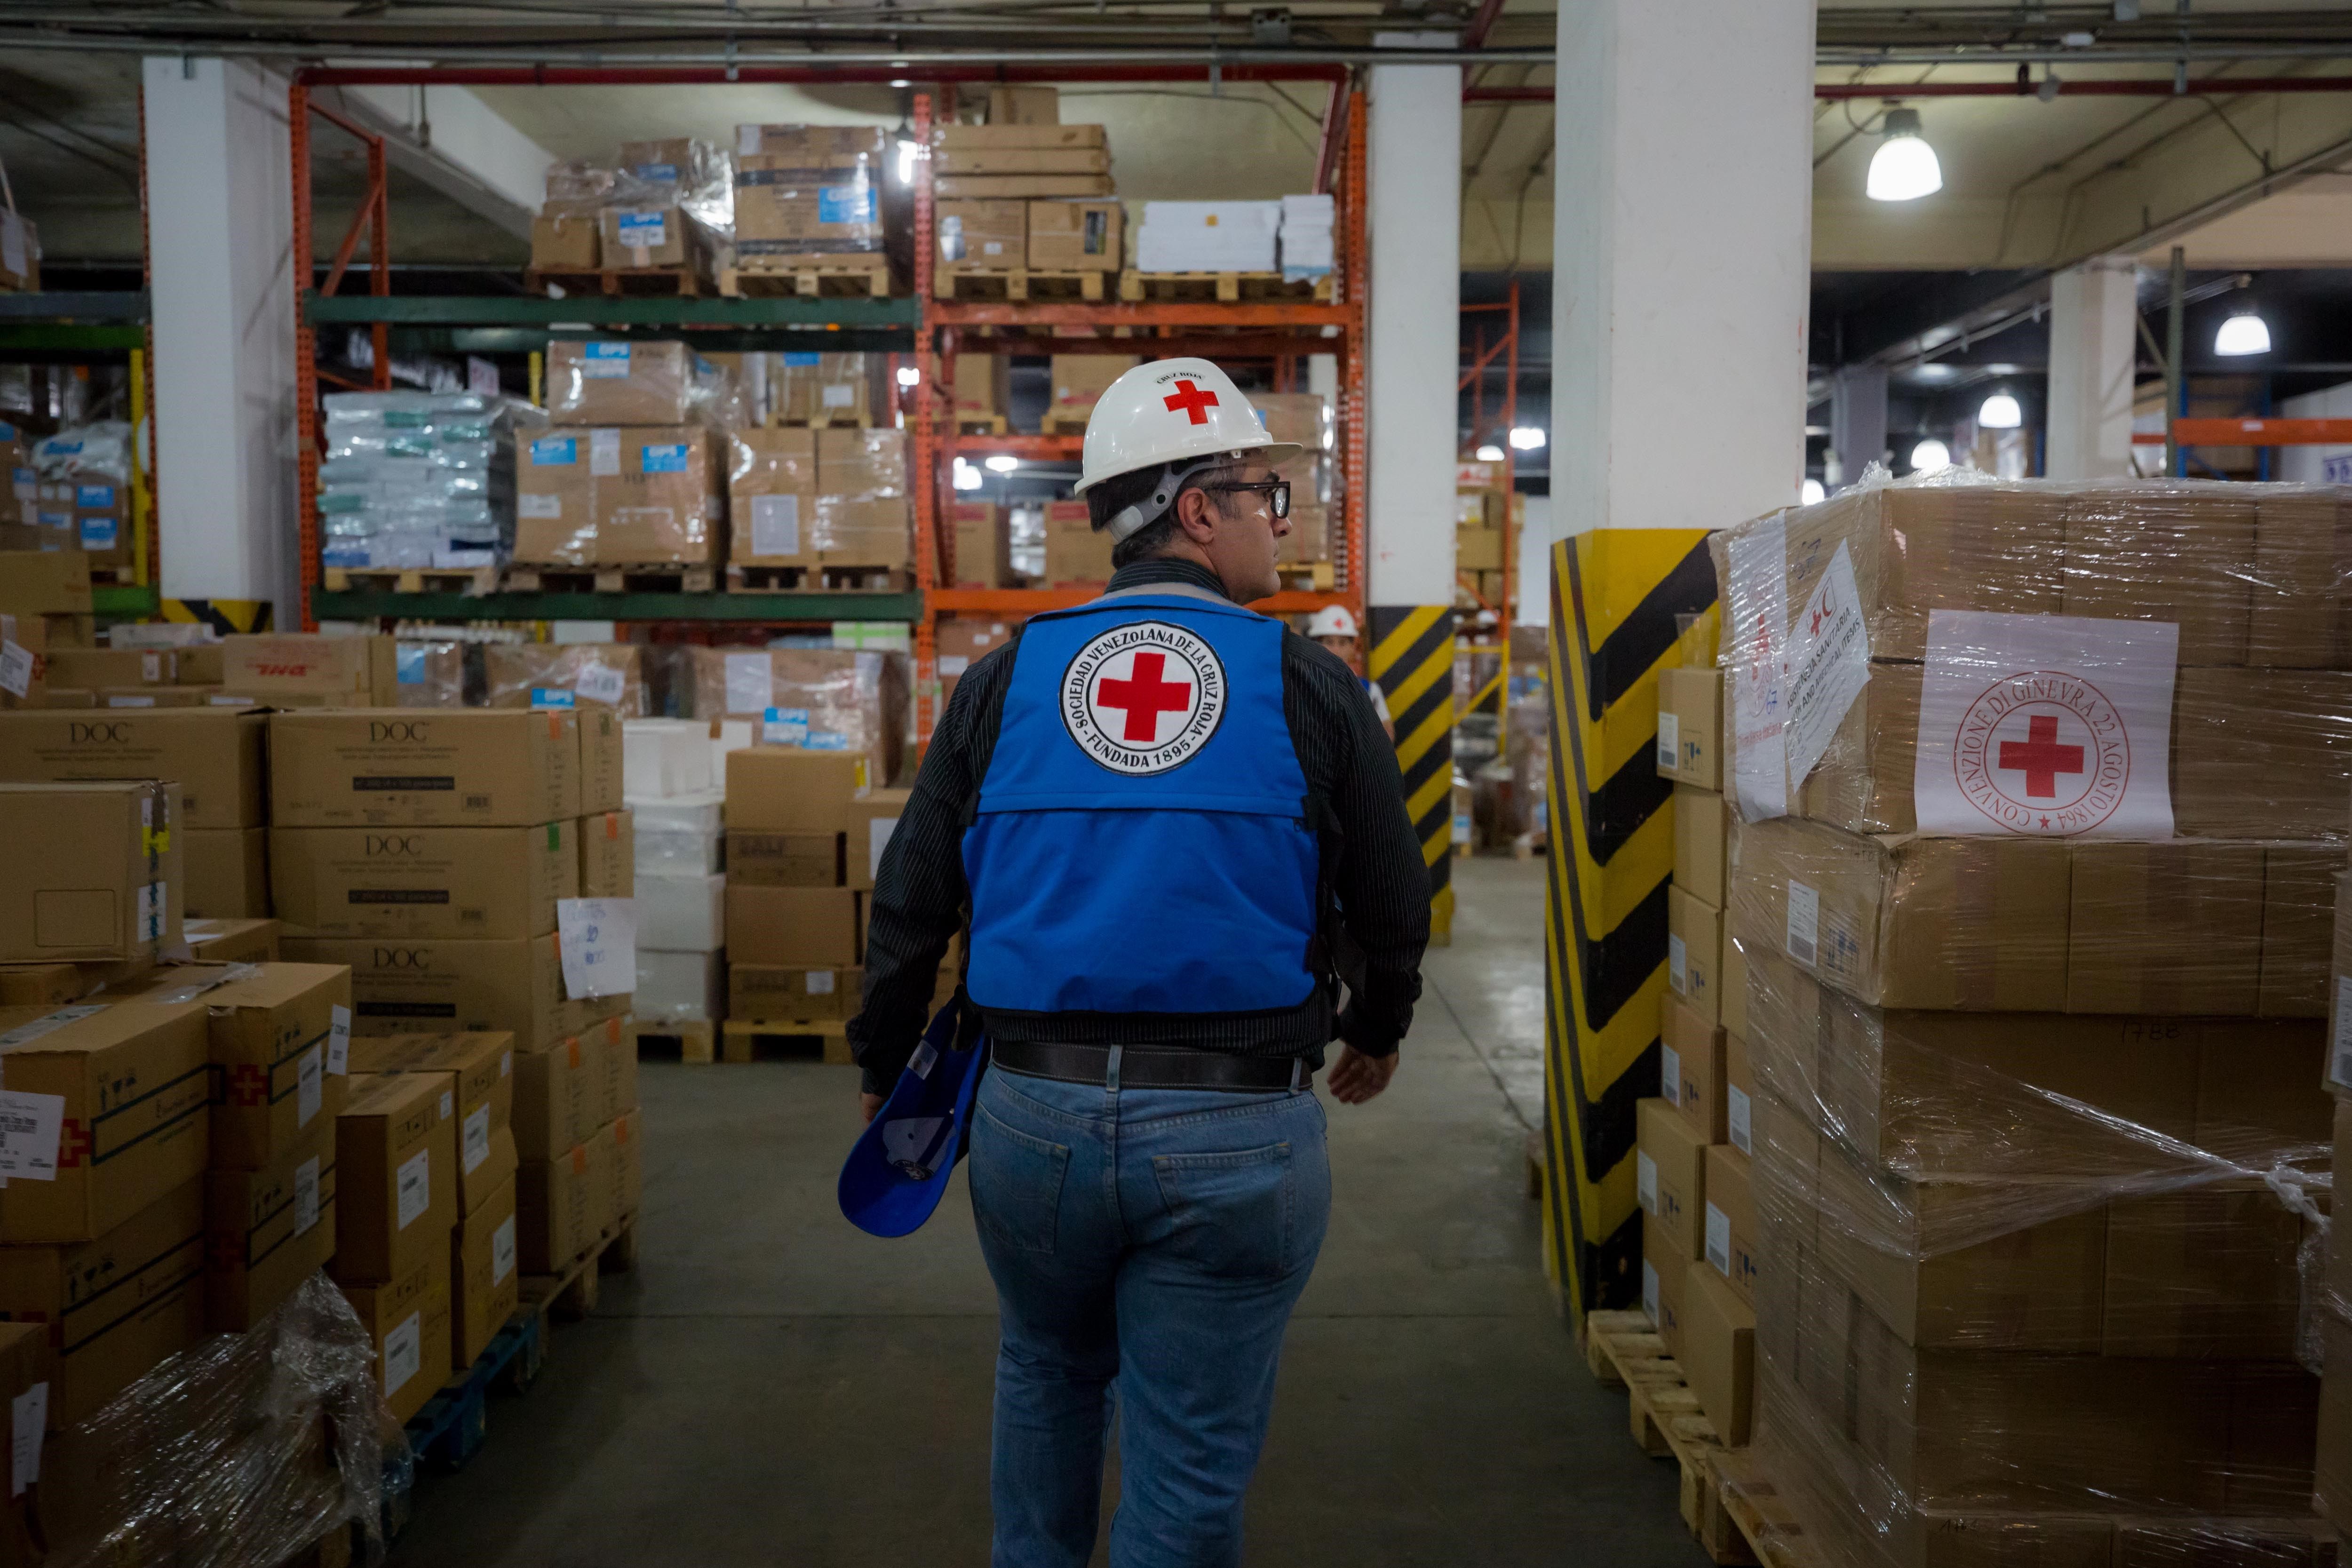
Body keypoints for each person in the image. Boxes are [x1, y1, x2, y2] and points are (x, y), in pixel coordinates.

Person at [848, 356, 1430, 1568]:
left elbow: (910, 900)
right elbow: (1389, 900)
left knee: (1049, 1375)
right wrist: (1378, 1027)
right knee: (1188, 1464)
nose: (1281, 523)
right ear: (1196, 508)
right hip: (1235, 1131)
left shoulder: (1004, 681)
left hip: (1031, 1120)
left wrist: (883, 1058)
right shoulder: (1311, 687)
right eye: (1265, 494)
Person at [1304, 604, 1393, 740]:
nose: (1336, 650)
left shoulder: (1369, 691)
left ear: (1352, 647)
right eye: (1329, 642)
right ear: (1317, 645)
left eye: (1343, 643)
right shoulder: (1302, 687)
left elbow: (1387, 738)